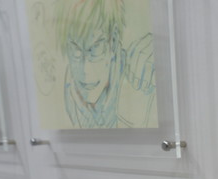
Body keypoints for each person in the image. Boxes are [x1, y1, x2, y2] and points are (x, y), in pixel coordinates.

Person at [54, 0, 156, 128]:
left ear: (113, 41)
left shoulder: (141, 78)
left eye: (95, 49)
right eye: (75, 50)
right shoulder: (66, 96)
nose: (85, 70)